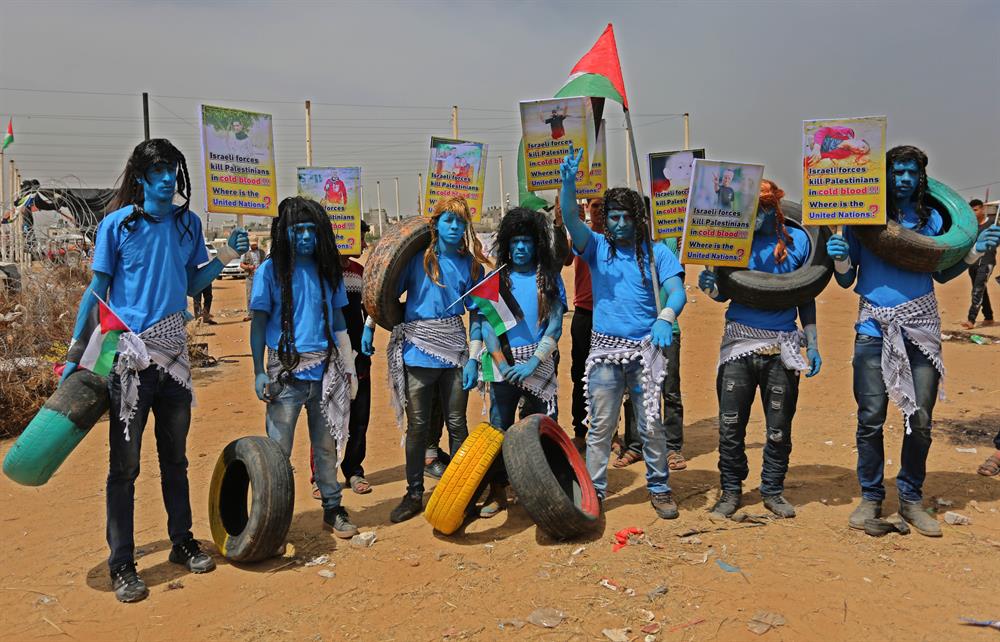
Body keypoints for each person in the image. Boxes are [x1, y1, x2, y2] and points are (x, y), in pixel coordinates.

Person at [62, 139, 249, 603]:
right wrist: (74, 356)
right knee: (123, 467)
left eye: (173, 170)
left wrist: (226, 256)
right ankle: (122, 563)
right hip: (128, 359)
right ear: (142, 178)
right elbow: (98, 292)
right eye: (158, 171)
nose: (167, 178)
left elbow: (190, 283)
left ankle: (181, 541)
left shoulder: (188, 224)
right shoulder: (117, 225)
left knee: (176, 459)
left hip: (174, 360)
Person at [827, 146, 1000, 537]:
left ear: (920, 177)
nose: (904, 179)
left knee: (919, 420)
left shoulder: (934, 218)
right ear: (885, 175)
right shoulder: (860, 218)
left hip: (920, 328)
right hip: (872, 328)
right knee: (870, 419)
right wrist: (839, 257)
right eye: (897, 171)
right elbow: (845, 279)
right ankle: (871, 496)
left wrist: (975, 250)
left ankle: (910, 498)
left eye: (911, 173)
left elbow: (940, 275)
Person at [559, 144, 687, 519]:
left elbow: (677, 290)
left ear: (638, 219)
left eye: (625, 217)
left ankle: (660, 486)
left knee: (650, 425)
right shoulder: (597, 248)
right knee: (600, 427)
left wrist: (665, 315)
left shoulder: (657, 253)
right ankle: (595, 490)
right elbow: (571, 220)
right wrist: (568, 186)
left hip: (646, 350)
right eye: (612, 217)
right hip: (604, 352)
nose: (618, 224)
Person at [698, 179, 823, 519]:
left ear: (776, 209)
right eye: (751, 209)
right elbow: (723, 294)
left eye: (764, 209)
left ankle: (772, 490)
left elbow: (805, 294)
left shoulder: (797, 242)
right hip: (739, 345)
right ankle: (731, 491)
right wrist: (710, 288)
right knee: (730, 425)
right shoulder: (730, 243)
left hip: (782, 347)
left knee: (779, 428)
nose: (757, 217)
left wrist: (812, 343)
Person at [361, 196, 489, 523]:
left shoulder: (471, 265)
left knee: (457, 423)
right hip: (417, 350)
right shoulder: (418, 260)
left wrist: (474, 359)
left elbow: (479, 315)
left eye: (460, 222)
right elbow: (382, 293)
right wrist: (369, 325)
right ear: (435, 224)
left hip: (455, 351)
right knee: (418, 427)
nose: (454, 227)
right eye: (448, 221)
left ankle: (464, 492)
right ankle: (414, 492)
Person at [250, 197, 359, 539]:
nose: (306, 237)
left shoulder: (329, 271)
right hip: (284, 372)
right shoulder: (270, 271)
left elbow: (339, 317)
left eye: (312, 230)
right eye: (299, 230)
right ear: (285, 233)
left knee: (326, 447)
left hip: (325, 369)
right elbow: (258, 322)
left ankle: (332, 506)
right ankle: (273, 519)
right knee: (277, 452)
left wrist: (349, 364)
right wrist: (258, 371)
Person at [477, 207, 567, 518]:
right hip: (505, 369)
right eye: (514, 241)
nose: (520, 248)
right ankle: (497, 491)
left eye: (526, 241)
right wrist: (503, 366)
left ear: (536, 243)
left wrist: (534, 363)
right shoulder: (496, 280)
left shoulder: (549, 277)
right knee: (498, 430)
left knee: (540, 430)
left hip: (539, 368)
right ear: (506, 243)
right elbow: (488, 327)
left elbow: (555, 325)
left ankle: (544, 491)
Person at [310, 220, 374, 498]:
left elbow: (371, 308)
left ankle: (353, 469)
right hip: (327, 356)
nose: (363, 243)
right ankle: (321, 476)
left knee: (359, 416)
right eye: (359, 237)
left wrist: (369, 330)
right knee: (325, 416)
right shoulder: (318, 273)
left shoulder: (361, 272)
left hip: (358, 355)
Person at [617, 233, 687, 472]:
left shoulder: (668, 244)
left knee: (670, 390)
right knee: (634, 389)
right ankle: (636, 445)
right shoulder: (625, 248)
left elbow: (677, 280)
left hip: (668, 328)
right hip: (636, 331)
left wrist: (683, 244)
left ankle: (672, 446)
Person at [565, 196, 604, 452]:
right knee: (580, 375)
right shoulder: (583, 237)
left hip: (609, 316)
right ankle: (580, 430)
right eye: (595, 205)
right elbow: (566, 259)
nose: (599, 210)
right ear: (588, 209)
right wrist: (568, 221)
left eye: (604, 205)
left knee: (610, 377)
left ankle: (609, 432)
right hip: (583, 314)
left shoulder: (617, 240)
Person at [960, 199, 995, 329]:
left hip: (987, 262)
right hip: (973, 263)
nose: (973, 213)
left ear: (982, 209)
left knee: (977, 290)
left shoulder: (993, 224)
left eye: (975, 210)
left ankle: (971, 320)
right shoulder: (971, 227)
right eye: (971, 210)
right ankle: (989, 316)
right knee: (980, 289)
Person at [241, 238, 266, 321]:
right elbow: (241, 264)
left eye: (255, 244)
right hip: (250, 277)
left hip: (260, 277)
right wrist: (248, 267)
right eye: (252, 244)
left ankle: (260, 313)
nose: (253, 246)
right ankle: (250, 314)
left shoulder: (262, 252)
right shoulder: (245, 253)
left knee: (261, 294)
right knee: (249, 296)